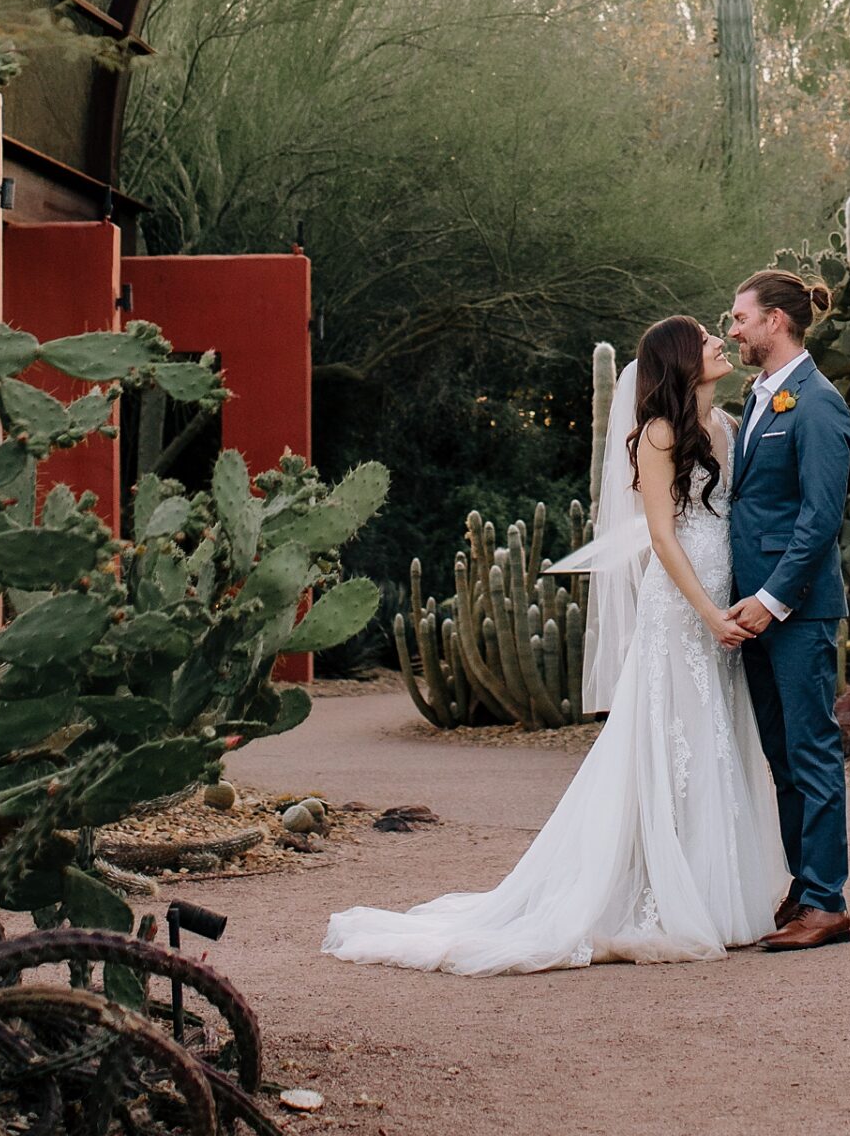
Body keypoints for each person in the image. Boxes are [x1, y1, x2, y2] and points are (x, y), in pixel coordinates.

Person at [320, 315, 790, 975]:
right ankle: (662, 898)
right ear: (682, 361)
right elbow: (662, 537)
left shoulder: (731, 427)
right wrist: (709, 612)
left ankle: (716, 892)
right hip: (681, 607)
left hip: (723, 602)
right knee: (676, 745)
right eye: (708, 339)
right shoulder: (657, 435)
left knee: (714, 743)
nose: (720, 342)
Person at [722, 269, 850, 951]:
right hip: (752, 612)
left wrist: (771, 601)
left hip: (794, 612)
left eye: (741, 317)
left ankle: (827, 903)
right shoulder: (760, 400)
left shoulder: (818, 403)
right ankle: (804, 889)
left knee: (810, 751)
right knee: (781, 757)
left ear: (776, 320)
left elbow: (819, 517)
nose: (733, 329)